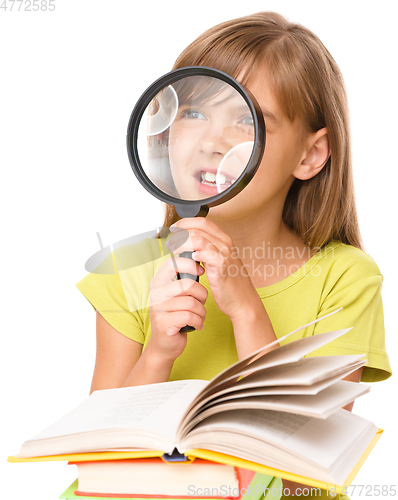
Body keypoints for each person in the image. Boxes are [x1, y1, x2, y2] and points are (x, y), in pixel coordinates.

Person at [76, 11, 391, 499]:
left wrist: (246, 309)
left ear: (310, 155)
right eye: (195, 113)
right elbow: (95, 458)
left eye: (248, 120)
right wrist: (158, 353)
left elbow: (303, 473)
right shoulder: (127, 271)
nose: (211, 141)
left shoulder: (345, 278)